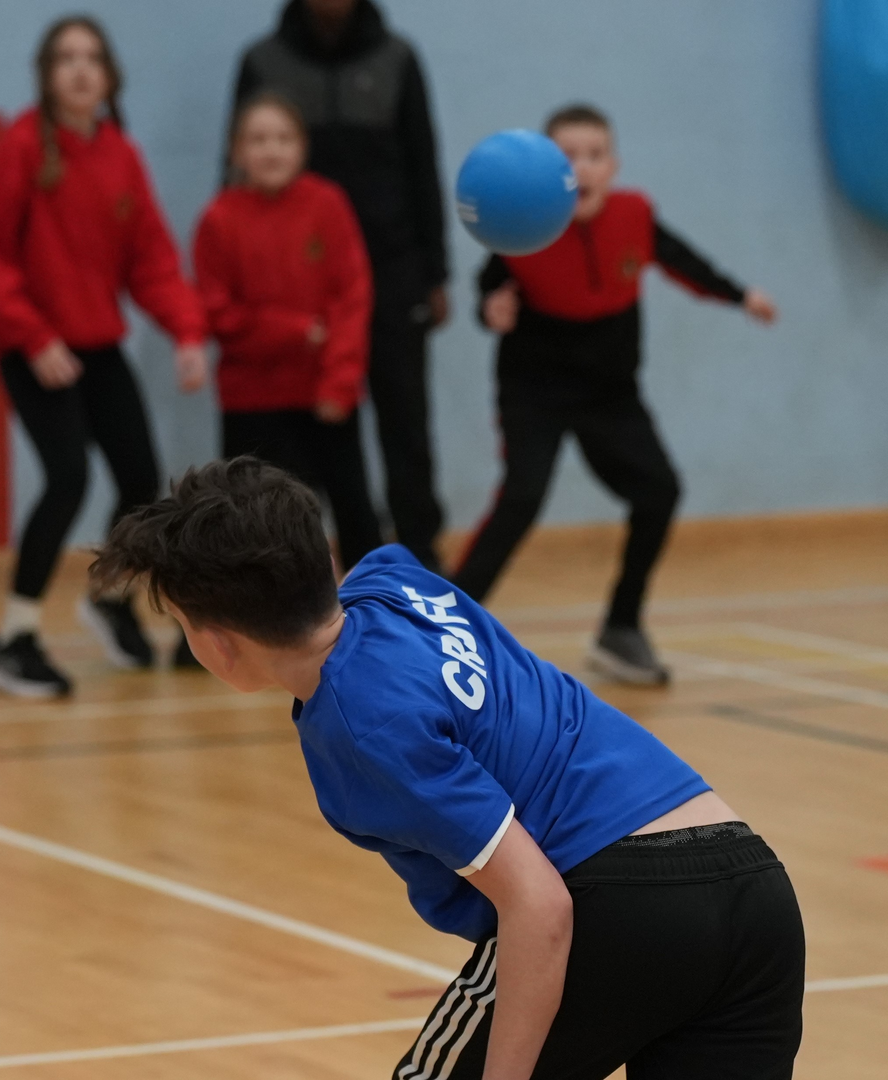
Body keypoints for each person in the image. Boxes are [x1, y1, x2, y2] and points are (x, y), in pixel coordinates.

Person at [91, 458, 804, 1080]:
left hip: (616, 901)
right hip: (754, 884)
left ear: (216, 645)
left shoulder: (366, 728)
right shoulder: (392, 578)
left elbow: (541, 905)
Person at [452, 104, 777, 686]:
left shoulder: (635, 216)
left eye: (595, 155)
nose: (583, 167)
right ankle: (442, 628)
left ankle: (621, 628)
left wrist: (739, 295)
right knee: (522, 498)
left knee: (660, 492)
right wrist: (490, 307)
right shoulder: (523, 227)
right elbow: (490, 287)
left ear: (614, 164)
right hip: (536, 385)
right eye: (567, 156)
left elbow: (684, 263)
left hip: (609, 390)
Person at [0, 15, 209, 697]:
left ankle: (108, 598)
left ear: (108, 76)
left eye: (91, 57)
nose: (79, 69)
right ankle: (12, 638)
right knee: (67, 478)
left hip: (99, 344)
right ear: (47, 74)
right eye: (65, 57)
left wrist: (187, 330)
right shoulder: (20, 148)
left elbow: (152, 260)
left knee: (142, 481)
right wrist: (33, 335)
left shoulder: (119, 155)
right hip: (34, 347)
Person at [230, 0, 451, 569]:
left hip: (394, 273)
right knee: (329, 447)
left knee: (407, 429)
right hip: (309, 288)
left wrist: (437, 273)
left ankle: (423, 565)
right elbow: (234, 175)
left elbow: (424, 161)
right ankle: (318, 575)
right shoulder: (262, 59)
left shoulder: (398, 57)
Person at [193, 93, 380, 570]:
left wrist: (340, 381)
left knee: (356, 516)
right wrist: (295, 330)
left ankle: (379, 626)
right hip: (251, 403)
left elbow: (352, 299)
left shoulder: (328, 205)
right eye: (257, 139)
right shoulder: (218, 219)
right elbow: (220, 315)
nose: (271, 150)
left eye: (282, 138)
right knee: (246, 527)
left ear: (302, 146)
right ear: (237, 151)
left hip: (324, 396)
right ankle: (228, 636)